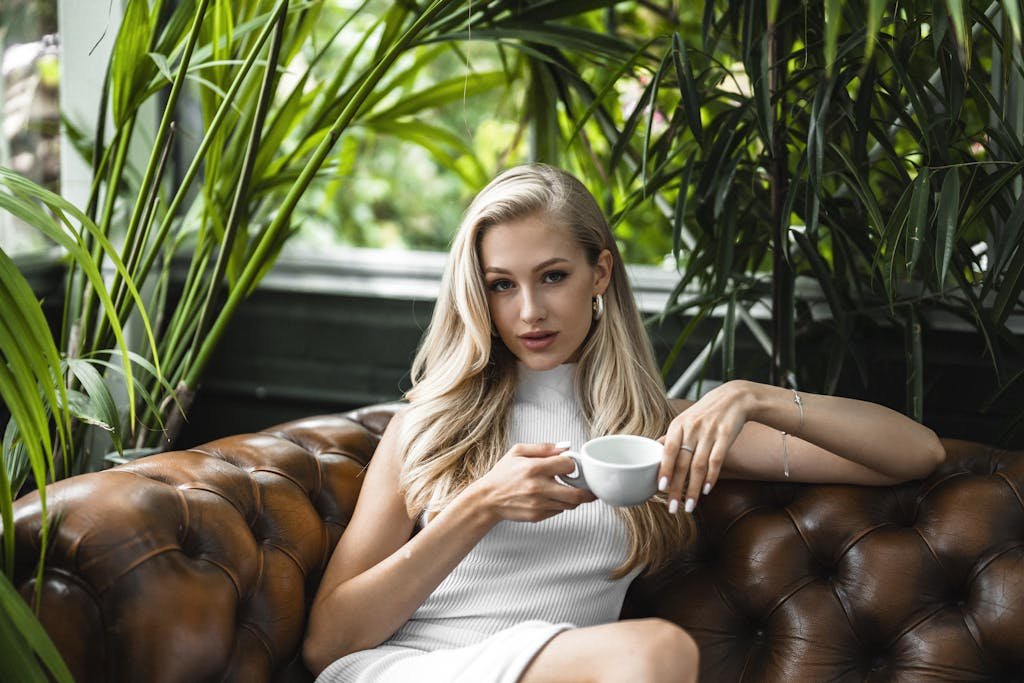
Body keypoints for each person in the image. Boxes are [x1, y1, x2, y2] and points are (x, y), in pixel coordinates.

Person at [302, 164, 945, 683]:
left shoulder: (658, 432)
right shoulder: (429, 425)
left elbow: (914, 453)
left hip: (570, 670)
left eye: (553, 276)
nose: (529, 311)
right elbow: (328, 644)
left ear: (600, 272)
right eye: (501, 285)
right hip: (407, 669)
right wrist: (481, 505)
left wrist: (757, 397)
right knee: (653, 653)